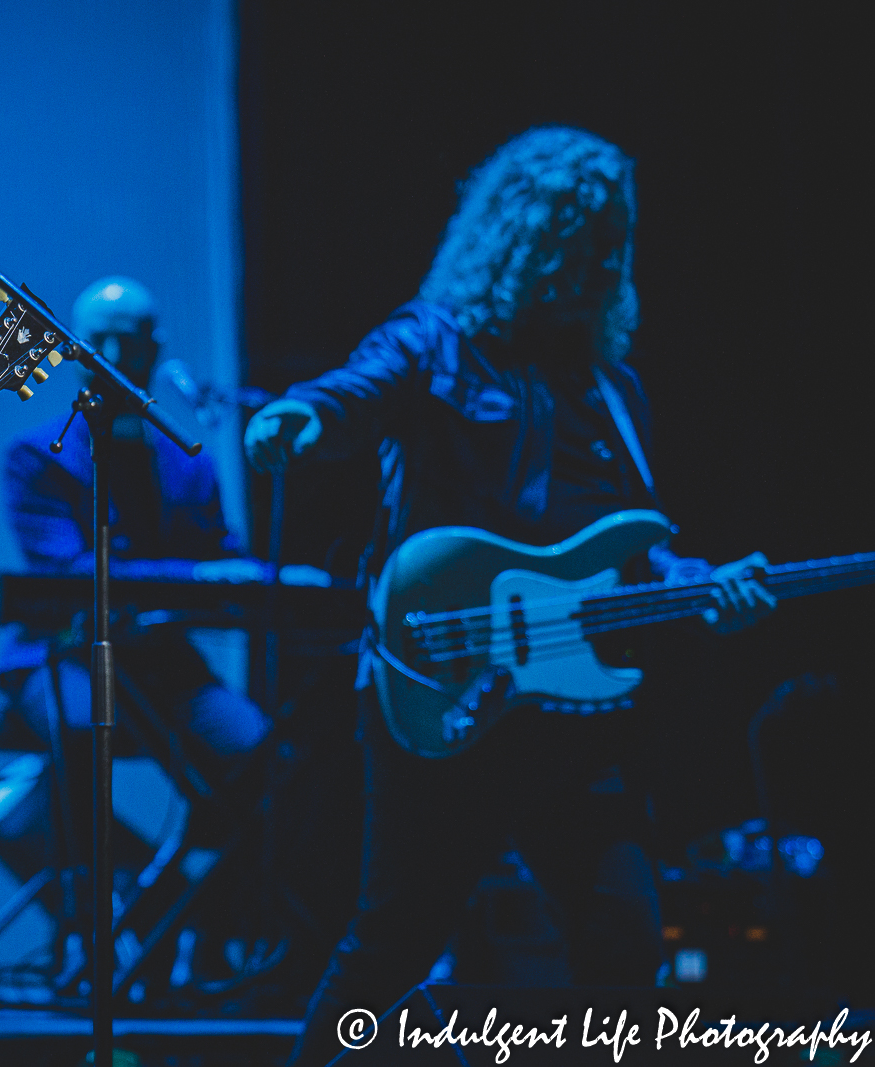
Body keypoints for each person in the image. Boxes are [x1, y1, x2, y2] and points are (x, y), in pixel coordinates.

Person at [243, 127, 775, 1065]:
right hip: (446, 685)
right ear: (524, 235)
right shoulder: (435, 340)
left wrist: (704, 588)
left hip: (572, 712)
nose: (603, 258)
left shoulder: (612, 388)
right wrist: (303, 416)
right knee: (392, 946)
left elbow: (633, 552)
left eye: (615, 236)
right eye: (580, 233)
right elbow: (357, 393)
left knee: (623, 938)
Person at [0, 276, 272, 985]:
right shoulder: (38, 454)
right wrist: (193, 581)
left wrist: (234, 576)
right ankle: (138, 901)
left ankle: (208, 915)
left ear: (151, 350)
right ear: (74, 351)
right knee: (82, 731)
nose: (109, 352)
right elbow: (70, 569)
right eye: (95, 340)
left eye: (126, 340)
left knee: (260, 753)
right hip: (65, 657)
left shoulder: (184, 456)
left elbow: (218, 553)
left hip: (162, 661)